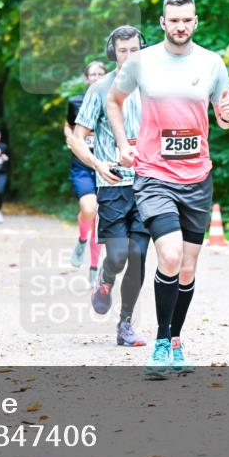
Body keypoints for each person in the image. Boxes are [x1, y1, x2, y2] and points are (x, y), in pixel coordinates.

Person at [107, 0, 229, 378]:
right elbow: (114, 100)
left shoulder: (212, 63)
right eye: (174, 20)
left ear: (195, 22)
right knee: (169, 255)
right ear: (163, 23)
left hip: (197, 177)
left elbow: (226, 118)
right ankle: (161, 342)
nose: (180, 26)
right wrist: (121, 143)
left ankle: (176, 340)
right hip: (154, 175)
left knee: (187, 267)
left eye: (187, 20)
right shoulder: (142, 62)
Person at [69, 25, 149, 347]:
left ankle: (125, 324)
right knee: (117, 256)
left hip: (148, 185)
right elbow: (77, 139)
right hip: (113, 186)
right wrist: (98, 164)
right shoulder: (100, 89)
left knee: (138, 256)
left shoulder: (154, 86)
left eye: (134, 50)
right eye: (122, 51)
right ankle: (105, 277)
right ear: (112, 52)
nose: (129, 56)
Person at [65, 61, 107, 285]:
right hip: (82, 165)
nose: (97, 77)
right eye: (93, 74)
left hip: (106, 166)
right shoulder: (75, 102)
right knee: (89, 209)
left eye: (101, 73)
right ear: (86, 79)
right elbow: (68, 125)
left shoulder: (113, 101)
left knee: (99, 218)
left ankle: (94, 267)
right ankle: (82, 239)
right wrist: (70, 138)